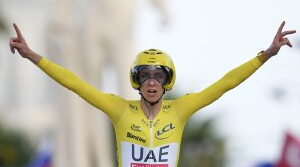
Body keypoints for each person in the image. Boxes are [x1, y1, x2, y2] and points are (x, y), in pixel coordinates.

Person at [9, 21, 296, 167]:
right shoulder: (119, 109)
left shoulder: (181, 110)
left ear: (167, 82)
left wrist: (266, 55)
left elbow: (224, 84)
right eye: (145, 75)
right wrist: (32, 55)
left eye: (158, 76)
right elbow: (75, 84)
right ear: (136, 80)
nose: (151, 82)